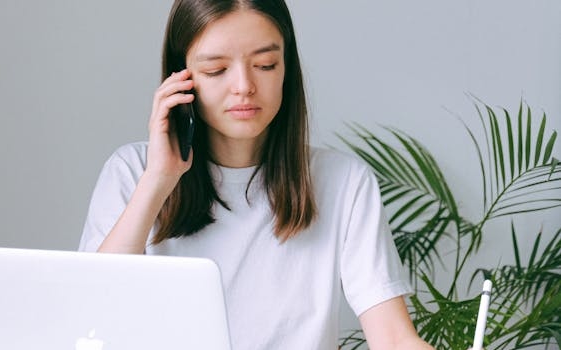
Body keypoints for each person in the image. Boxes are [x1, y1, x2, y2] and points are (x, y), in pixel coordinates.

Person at [79, 0, 435, 349]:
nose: (244, 86)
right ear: (180, 79)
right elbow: (93, 317)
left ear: (286, 69)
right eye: (216, 70)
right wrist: (158, 179)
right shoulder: (131, 172)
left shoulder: (344, 182)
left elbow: (393, 338)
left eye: (265, 65)